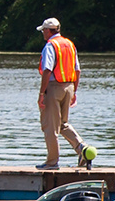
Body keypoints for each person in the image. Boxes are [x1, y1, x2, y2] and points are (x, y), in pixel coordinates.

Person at [35, 17, 87, 170]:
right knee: (62, 124)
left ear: (48, 30)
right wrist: (74, 91)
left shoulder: (51, 46)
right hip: (69, 87)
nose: (43, 33)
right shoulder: (69, 44)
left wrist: (42, 93)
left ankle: (52, 162)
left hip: (53, 87)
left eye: (44, 30)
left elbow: (47, 70)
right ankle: (82, 149)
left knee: (50, 126)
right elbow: (77, 70)